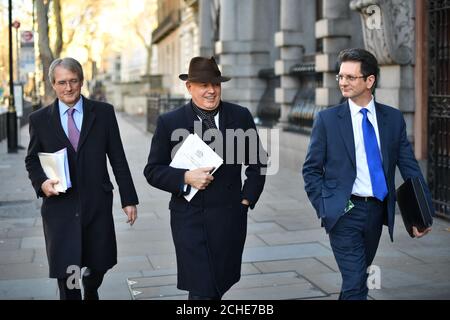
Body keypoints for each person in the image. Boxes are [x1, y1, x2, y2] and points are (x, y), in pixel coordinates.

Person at [302, 48, 434, 300]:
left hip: (376, 212)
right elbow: (311, 169)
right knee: (355, 283)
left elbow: (410, 168)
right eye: (340, 76)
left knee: (357, 279)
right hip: (344, 213)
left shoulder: (393, 119)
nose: (343, 82)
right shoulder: (327, 120)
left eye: (351, 77)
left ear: (369, 80)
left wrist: (423, 213)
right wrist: (325, 207)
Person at [143, 56, 266, 300]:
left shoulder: (240, 116)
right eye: (204, 85)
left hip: (229, 217)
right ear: (189, 87)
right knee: (201, 289)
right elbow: (153, 170)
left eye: (216, 85)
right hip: (189, 219)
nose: (211, 90)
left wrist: (245, 201)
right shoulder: (170, 122)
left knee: (218, 284)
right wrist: (185, 177)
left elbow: (258, 163)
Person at [25, 57, 139, 300]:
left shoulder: (104, 113)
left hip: (97, 203)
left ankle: (92, 282)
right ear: (53, 85)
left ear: (82, 81)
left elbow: (117, 157)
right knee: (69, 274)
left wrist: (129, 199)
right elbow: (32, 160)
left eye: (73, 81)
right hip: (61, 209)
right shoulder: (39, 120)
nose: (68, 88)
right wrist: (42, 183)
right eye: (62, 82)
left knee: (100, 262)